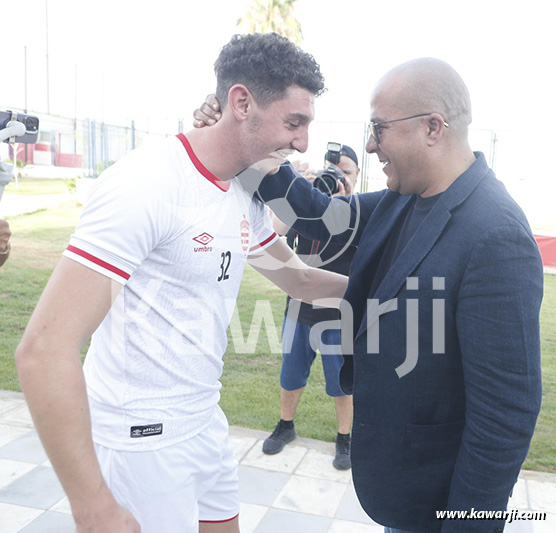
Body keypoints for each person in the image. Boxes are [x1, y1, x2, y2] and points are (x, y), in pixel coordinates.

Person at [15, 33, 349, 533]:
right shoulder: (146, 183)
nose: (302, 141)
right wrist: (92, 506)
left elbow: (298, 279)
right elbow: (43, 349)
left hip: (203, 422)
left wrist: (391, 288)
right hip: (139, 440)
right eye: (294, 121)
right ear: (242, 103)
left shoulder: (240, 190)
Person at [194, 57, 544, 532]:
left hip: (438, 504)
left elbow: (504, 415)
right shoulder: (403, 199)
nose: (370, 144)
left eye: (379, 128)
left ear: (432, 128)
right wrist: (244, 147)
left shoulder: (495, 234)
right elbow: (315, 215)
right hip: (401, 491)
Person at [263, 146, 360, 471]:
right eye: (331, 171)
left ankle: (344, 438)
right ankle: (285, 425)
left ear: (356, 175)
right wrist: (301, 192)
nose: (335, 178)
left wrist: (342, 199)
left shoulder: (361, 214)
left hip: (338, 317)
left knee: (341, 383)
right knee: (290, 376)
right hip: (299, 310)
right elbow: (275, 230)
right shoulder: (307, 209)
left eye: (344, 172)